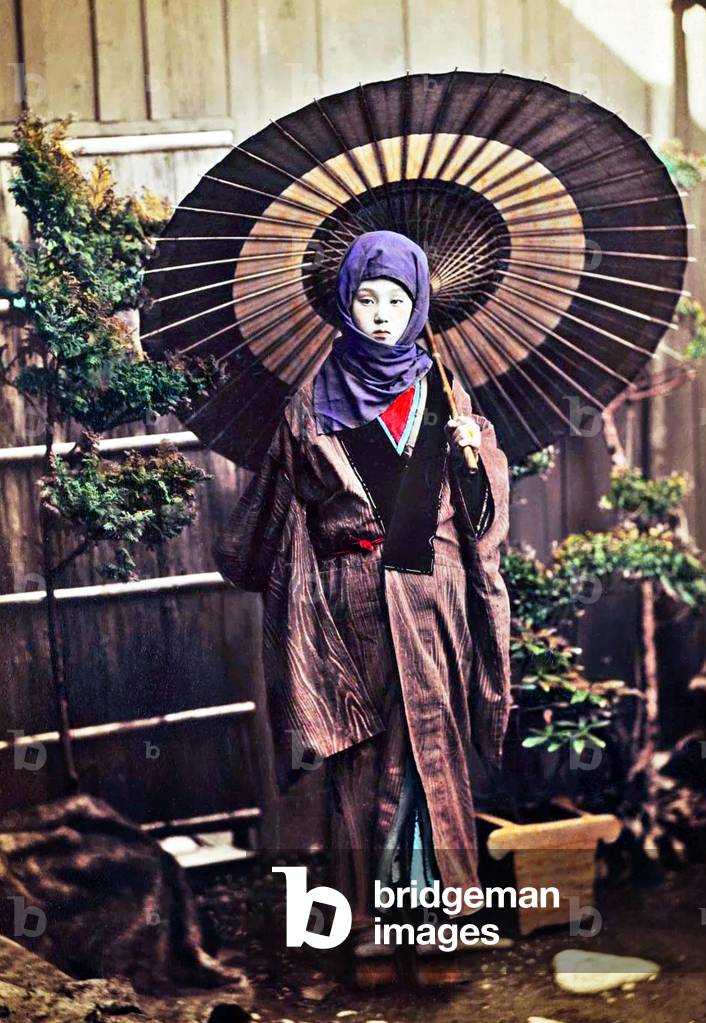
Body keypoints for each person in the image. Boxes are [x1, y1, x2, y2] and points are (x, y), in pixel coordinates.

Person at [214, 230, 512, 985]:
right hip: (351, 604)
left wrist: (473, 458)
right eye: (367, 299)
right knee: (361, 755)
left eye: (397, 300)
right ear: (346, 304)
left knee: (428, 748)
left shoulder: (448, 398)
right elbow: (272, 515)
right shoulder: (309, 402)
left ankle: (440, 923)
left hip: (430, 593)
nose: (381, 315)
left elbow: (478, 519)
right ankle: (374, 928)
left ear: (419, 308)